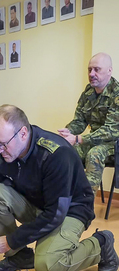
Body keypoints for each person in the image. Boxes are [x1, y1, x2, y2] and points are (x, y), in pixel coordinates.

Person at [0, 104, 118, 271]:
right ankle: (20, 256)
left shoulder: (56, 154)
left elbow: (55, 214)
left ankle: (101, 244)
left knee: (48, 266)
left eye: (3, 144)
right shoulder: (4, 153)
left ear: (22, 133)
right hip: (39, 206)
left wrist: (10, 241)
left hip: (70, 212)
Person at [58, 53, 119, 197]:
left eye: (97, 69)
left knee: (94, 154)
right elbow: (80, 120)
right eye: (89, 69)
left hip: (113, 143)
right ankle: (64, 197)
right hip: (93, 140)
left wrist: (79, 139)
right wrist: (68, 131)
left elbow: (110, 131)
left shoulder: (117, 94)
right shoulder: (88, 92)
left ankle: (84, 205)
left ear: (109, 71)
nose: (91, 74)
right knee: (65, 150)